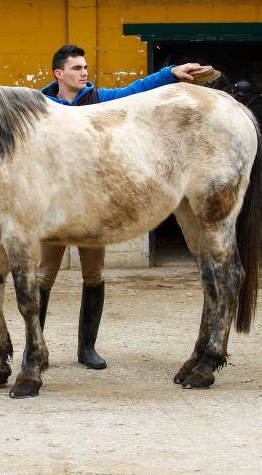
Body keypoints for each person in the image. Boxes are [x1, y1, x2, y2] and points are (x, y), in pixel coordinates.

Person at [38, 44, 205, 369]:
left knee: (94, 274)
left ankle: (87, 349)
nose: (84, 73)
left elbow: (135, 90)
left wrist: (169, 74)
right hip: (54, 206)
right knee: (44, 276)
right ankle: (36, 346)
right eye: (76, 68)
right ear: (59, 74)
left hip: (92, 205)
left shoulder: (98, 99)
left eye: (85, 67)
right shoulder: (42, 106)